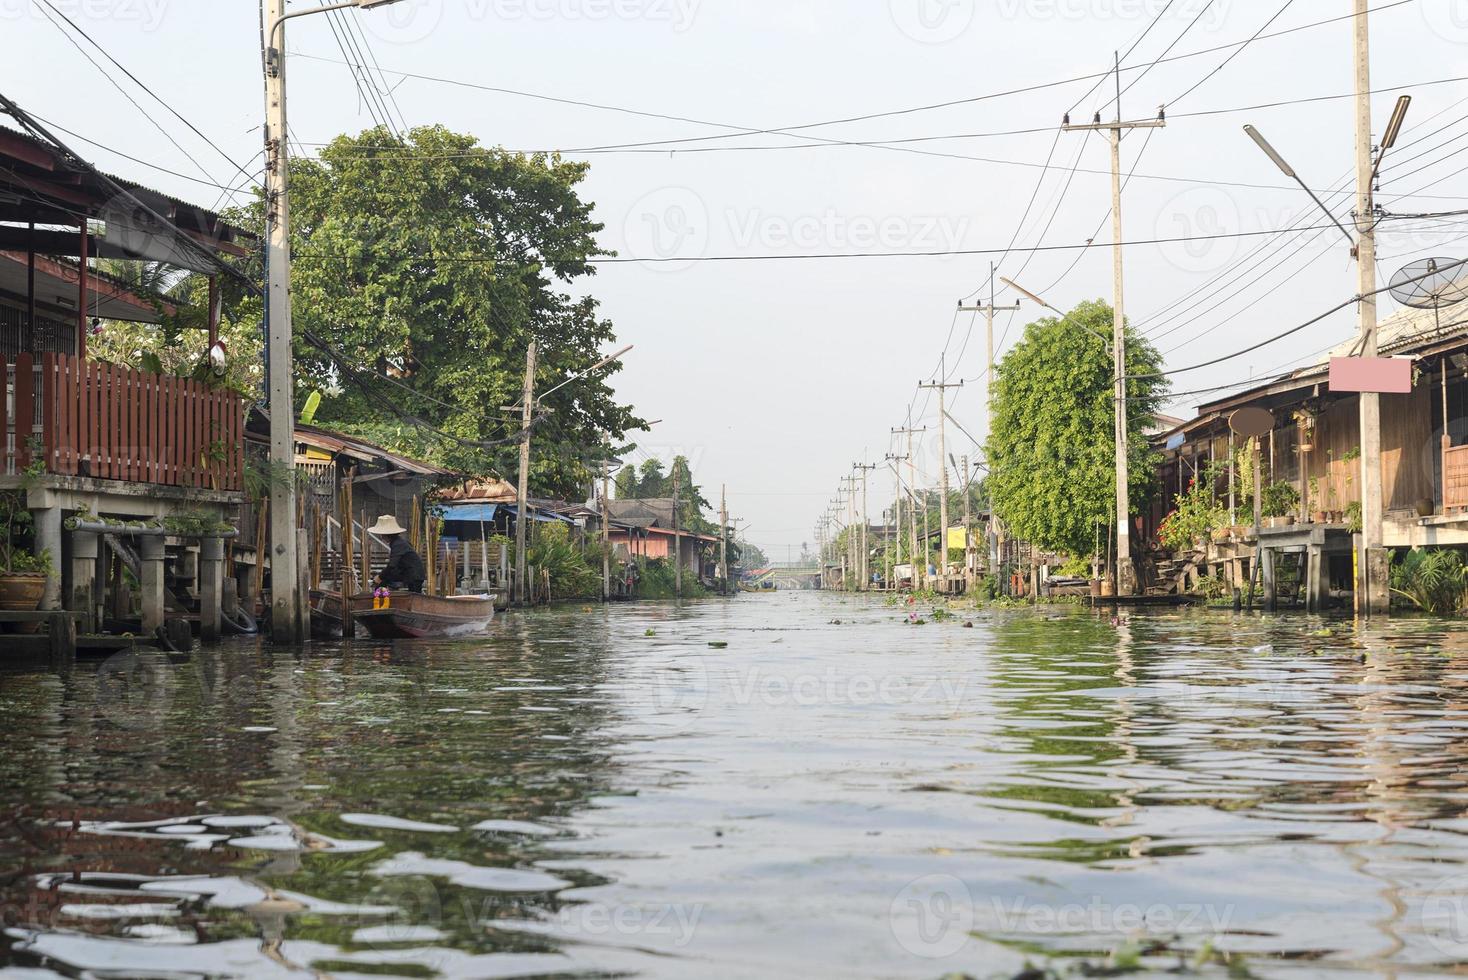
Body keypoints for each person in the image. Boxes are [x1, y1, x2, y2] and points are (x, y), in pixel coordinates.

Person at [370, 515, 425, 593]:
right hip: (407, 573)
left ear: (386, 535)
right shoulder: (398, 542)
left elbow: (392, 565)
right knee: (386, 578)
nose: (381, 537)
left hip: (414, 576)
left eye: (382, 534)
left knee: (415, 598)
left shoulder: (398, 544)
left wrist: (380, 577)